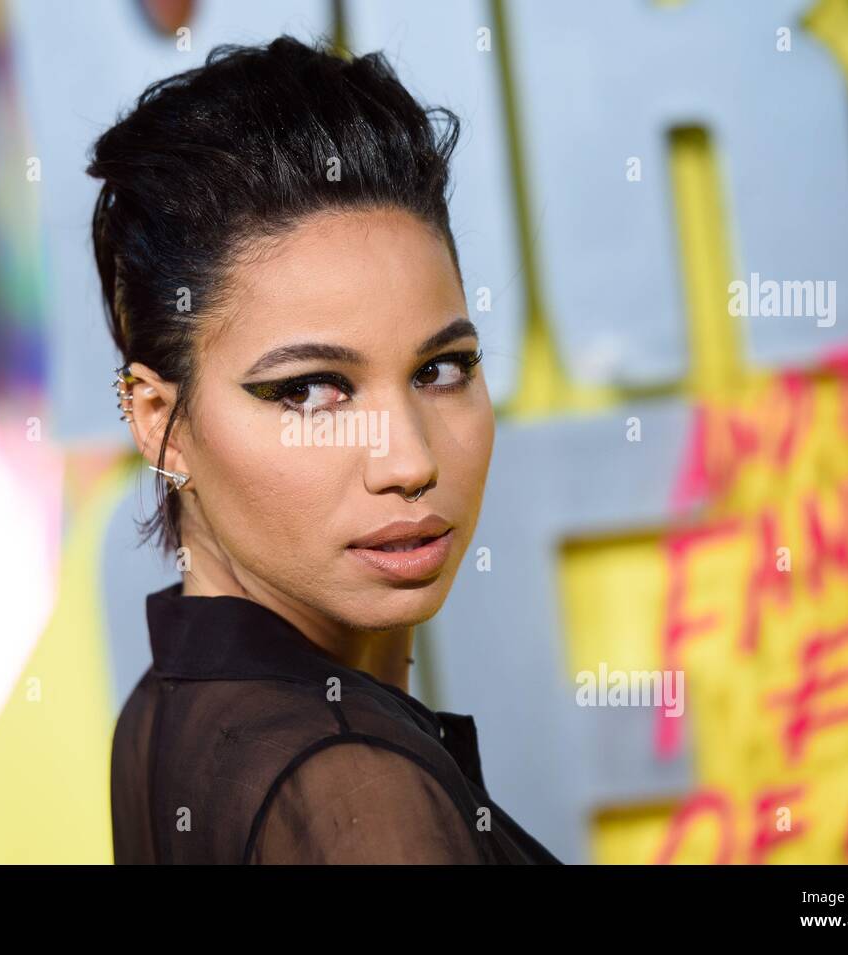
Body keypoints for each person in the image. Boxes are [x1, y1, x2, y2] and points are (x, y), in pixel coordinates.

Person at [89, 34, 559, 864]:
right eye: (309, 390)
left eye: (440, 369)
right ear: (160, 420)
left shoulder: (172, 702)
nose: (409, 462)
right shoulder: (357, 797)